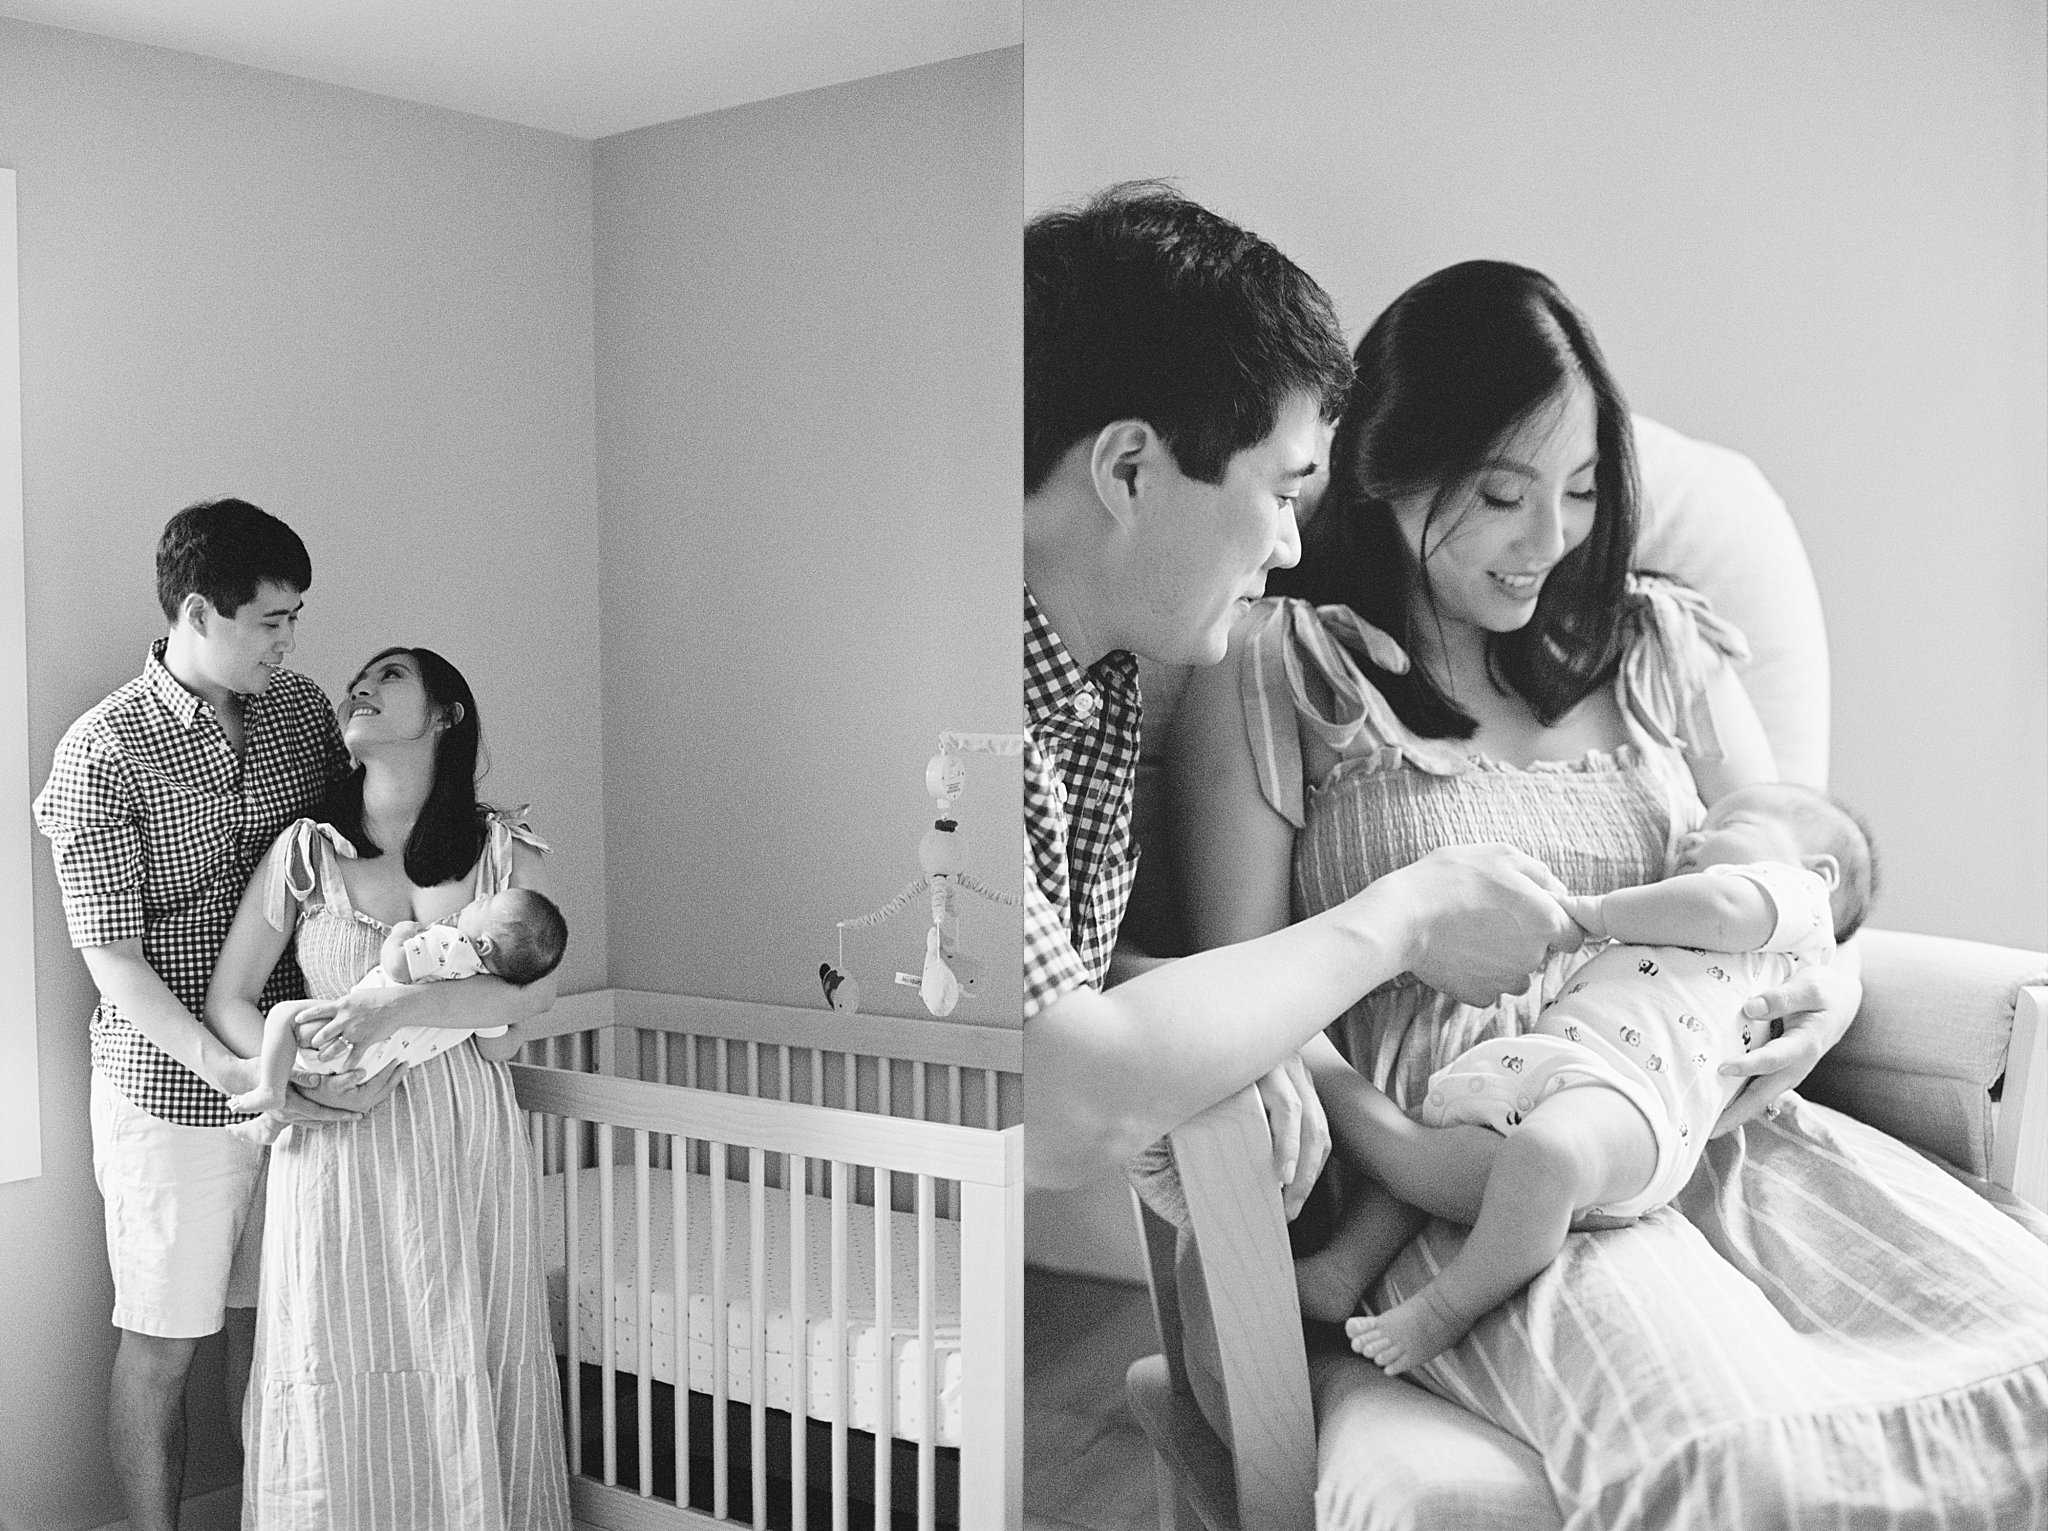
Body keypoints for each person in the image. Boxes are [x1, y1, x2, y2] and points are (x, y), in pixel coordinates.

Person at [1169, 257, 2048, 1518]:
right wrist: (1406, 1154)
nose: (1550, 541)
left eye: (1580, 492)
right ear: (1388, 469)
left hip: (1716, 1130)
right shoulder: (1280, 666)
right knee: (1739, 1458)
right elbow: (1237, 994)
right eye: (1502, 495)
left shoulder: (1655, 643)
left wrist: (1825, 992)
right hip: (1481, 1180)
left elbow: (1798, 879)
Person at [1022, 183, 1586, 1202]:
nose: (1286, 546)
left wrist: (1235, 1024)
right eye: (1279, 492)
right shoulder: (962, 704)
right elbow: (1052, 1106)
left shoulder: (1093, 694)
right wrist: (1406, 916)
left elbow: (1061, 996)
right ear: (1130, 471)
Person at [1297, 783, 1871, 1373]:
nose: (1693, 836)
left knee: (1546, 1151)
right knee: (1432, 1151)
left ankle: (1442, 1311)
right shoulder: (1698, 918)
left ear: (1818, 872)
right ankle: (1343, 1269)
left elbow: (1721, 909)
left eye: (1733, 821)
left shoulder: (1796, 905)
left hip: (1632, 1108)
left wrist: (1594, 913)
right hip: (1548, 1070)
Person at [32, 499, 351, 1531]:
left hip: (291, 1068)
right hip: (168, 1088)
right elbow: (113, 962)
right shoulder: (103, 750)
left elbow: (367, 839)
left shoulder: (301, 714)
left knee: (276, 1332)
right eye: (270, 619)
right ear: (201, 611)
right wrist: (225, 1069)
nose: (290, 640)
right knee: (164, 1342)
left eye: (297, 614)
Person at [206, 645, 570, 1530]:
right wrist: (309, 1071)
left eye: (390, 675)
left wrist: (387, 1013)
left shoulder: (503, 852)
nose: (360, 686)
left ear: (446, 714)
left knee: (465, 1339)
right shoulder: (307, 853)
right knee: (338, 1342)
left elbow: (534, 989)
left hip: (460, 1136)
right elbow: (230, 997)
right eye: (358, 679)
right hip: (333, 1138)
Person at [226, 886, 568, 1117]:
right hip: (372, 1069)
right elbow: (494, 1050)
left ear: (486, 945)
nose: (477, 900)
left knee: (282, 1015)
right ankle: (272, 1118)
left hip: (344, 1033)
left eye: (484, 905)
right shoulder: (490, 1001)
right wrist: (516, 1036)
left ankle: (271, 1088)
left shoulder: (452, 946)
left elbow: (398, 968)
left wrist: (400, 935)